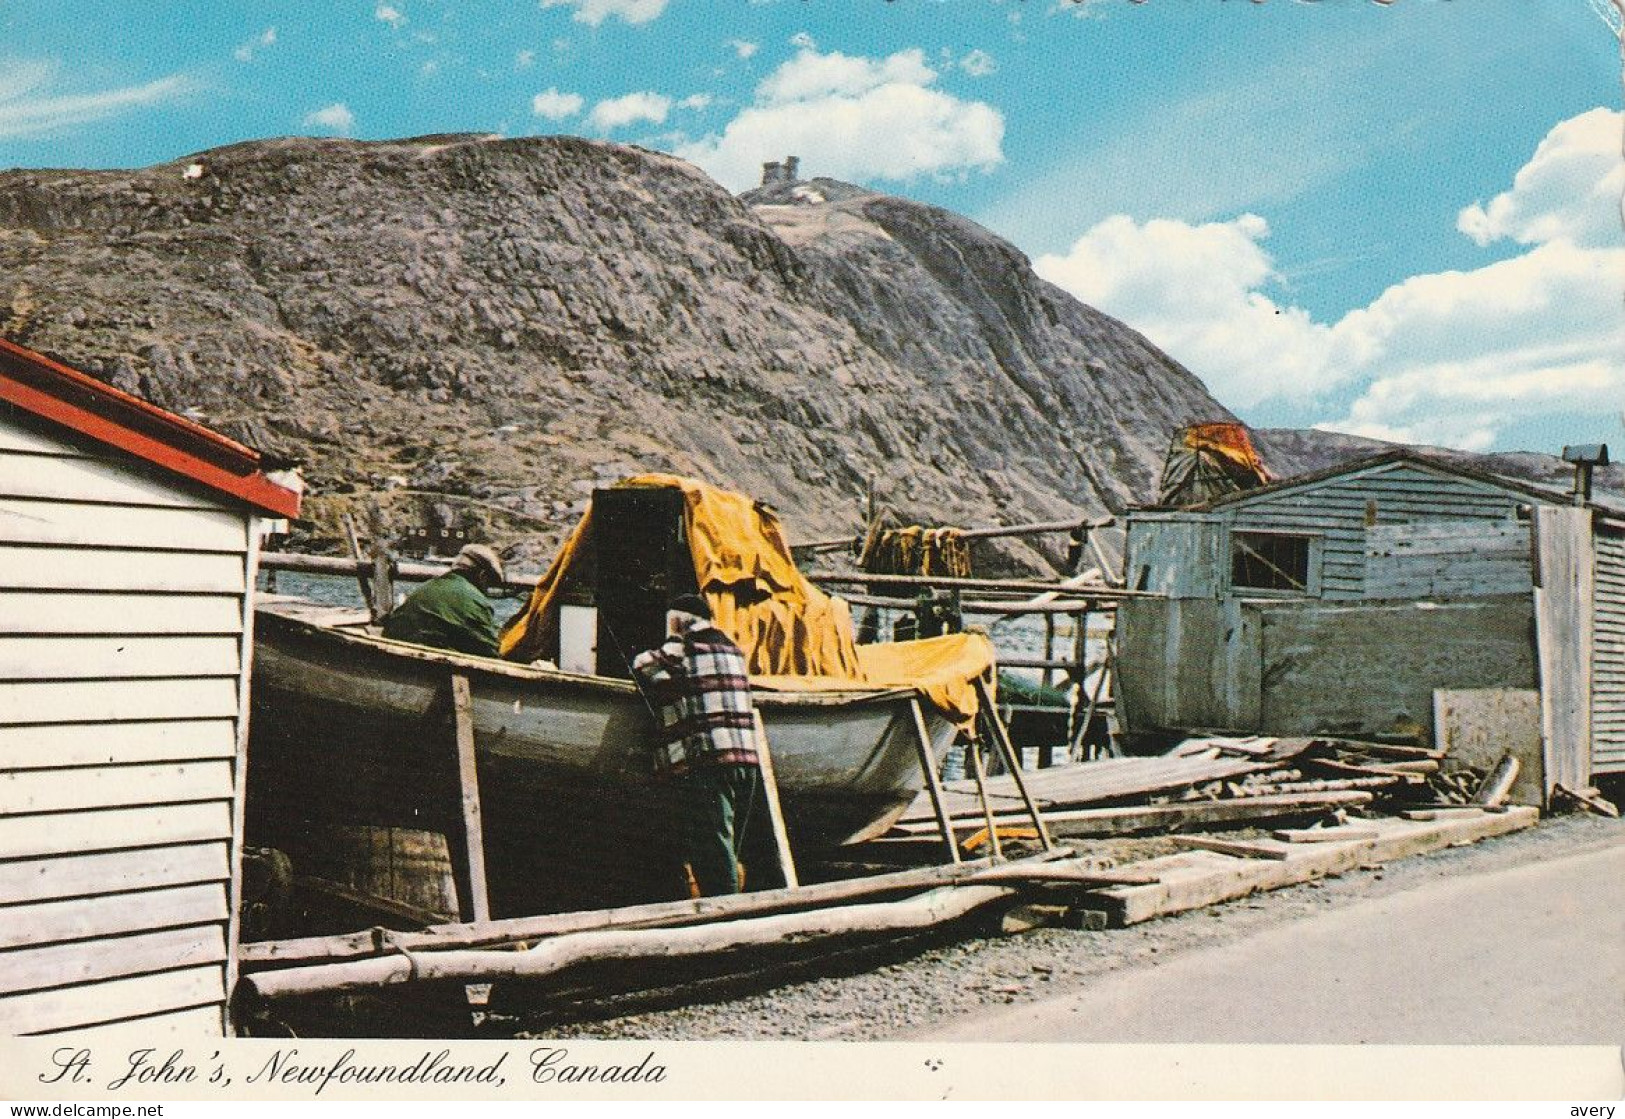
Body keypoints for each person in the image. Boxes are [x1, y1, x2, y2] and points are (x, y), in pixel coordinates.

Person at [631, 593, 777, 897]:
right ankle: (730, 902)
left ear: (680, 622)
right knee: (728, 843)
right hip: (746, 760)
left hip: (711, 761)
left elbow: (642, 664)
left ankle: (725, 919)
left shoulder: (684, 645)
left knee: (713, 849)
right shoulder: (733, 648)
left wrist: (670, 644)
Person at [381, 543, 505, 657]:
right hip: (428, 667)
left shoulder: (428, 586)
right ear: (482, 576)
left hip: (395, 656)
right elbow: (489, 652)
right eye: (488, 583)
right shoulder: (475, 601)